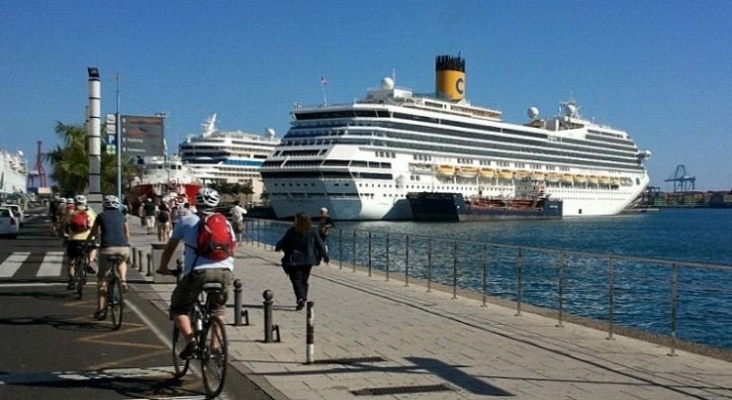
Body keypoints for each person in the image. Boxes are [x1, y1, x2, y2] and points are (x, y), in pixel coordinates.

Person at [156, 188, 235, 359]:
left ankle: (191, 341)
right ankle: (214, 346)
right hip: (225, 271)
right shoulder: (225, 222)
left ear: (196, 203)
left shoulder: (186, 221)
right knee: (218, 310)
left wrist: (163, 267)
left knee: (179, 307)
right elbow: (233, 247)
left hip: (198, 273)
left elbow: (170, 248)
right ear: (216, 205)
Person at [275, 211, 329, 311]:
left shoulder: (292, 231)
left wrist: (277, 247)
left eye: (295, 219)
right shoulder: (312, 231)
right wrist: (325, 256)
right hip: (309, 260)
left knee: (296, 280)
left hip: (295, 260)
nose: (294, 221)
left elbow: (283, 242)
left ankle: (301, 298)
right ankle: (303, 298)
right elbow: (320, 244)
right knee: (304, 280)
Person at [87, 195, 130, 320]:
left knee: (102, 280)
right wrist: (126, 243)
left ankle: (100, 309)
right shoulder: (122, 216)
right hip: (123, 247)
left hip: (107, 248)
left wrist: (88, 241)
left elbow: (94, 232)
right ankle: (123, 280)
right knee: (121, 261)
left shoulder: (101, 216)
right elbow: (127, 233)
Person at [62, 194, 97, 289]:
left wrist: (64, 235)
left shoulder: (71, 212)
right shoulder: (90, 212)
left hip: (74, 240)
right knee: (93, 248)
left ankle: (71, 281)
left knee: (71, 262)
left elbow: (64, 225)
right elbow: (95, 225)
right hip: (88, 239)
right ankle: (90, 262)